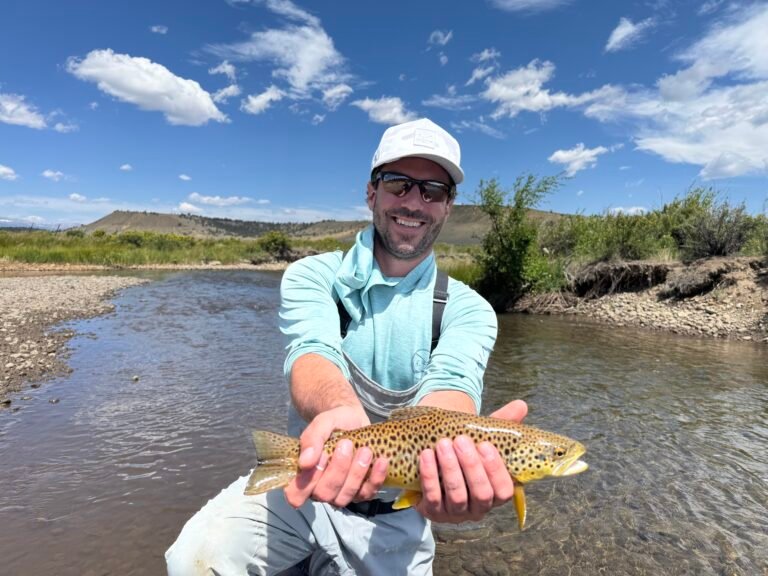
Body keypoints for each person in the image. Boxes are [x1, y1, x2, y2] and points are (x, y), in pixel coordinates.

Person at [165, 118, 528, 575]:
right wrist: (338, 411)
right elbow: (312, 353)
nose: (414, 202)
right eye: (399, 184)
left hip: (397, 519)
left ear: (448, 206)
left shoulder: (470, 309)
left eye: (432, 190)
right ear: (372, 193)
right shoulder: (312, 276)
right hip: (304, 485)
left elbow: (452, 387)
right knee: (193, 559)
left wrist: (451, 465)